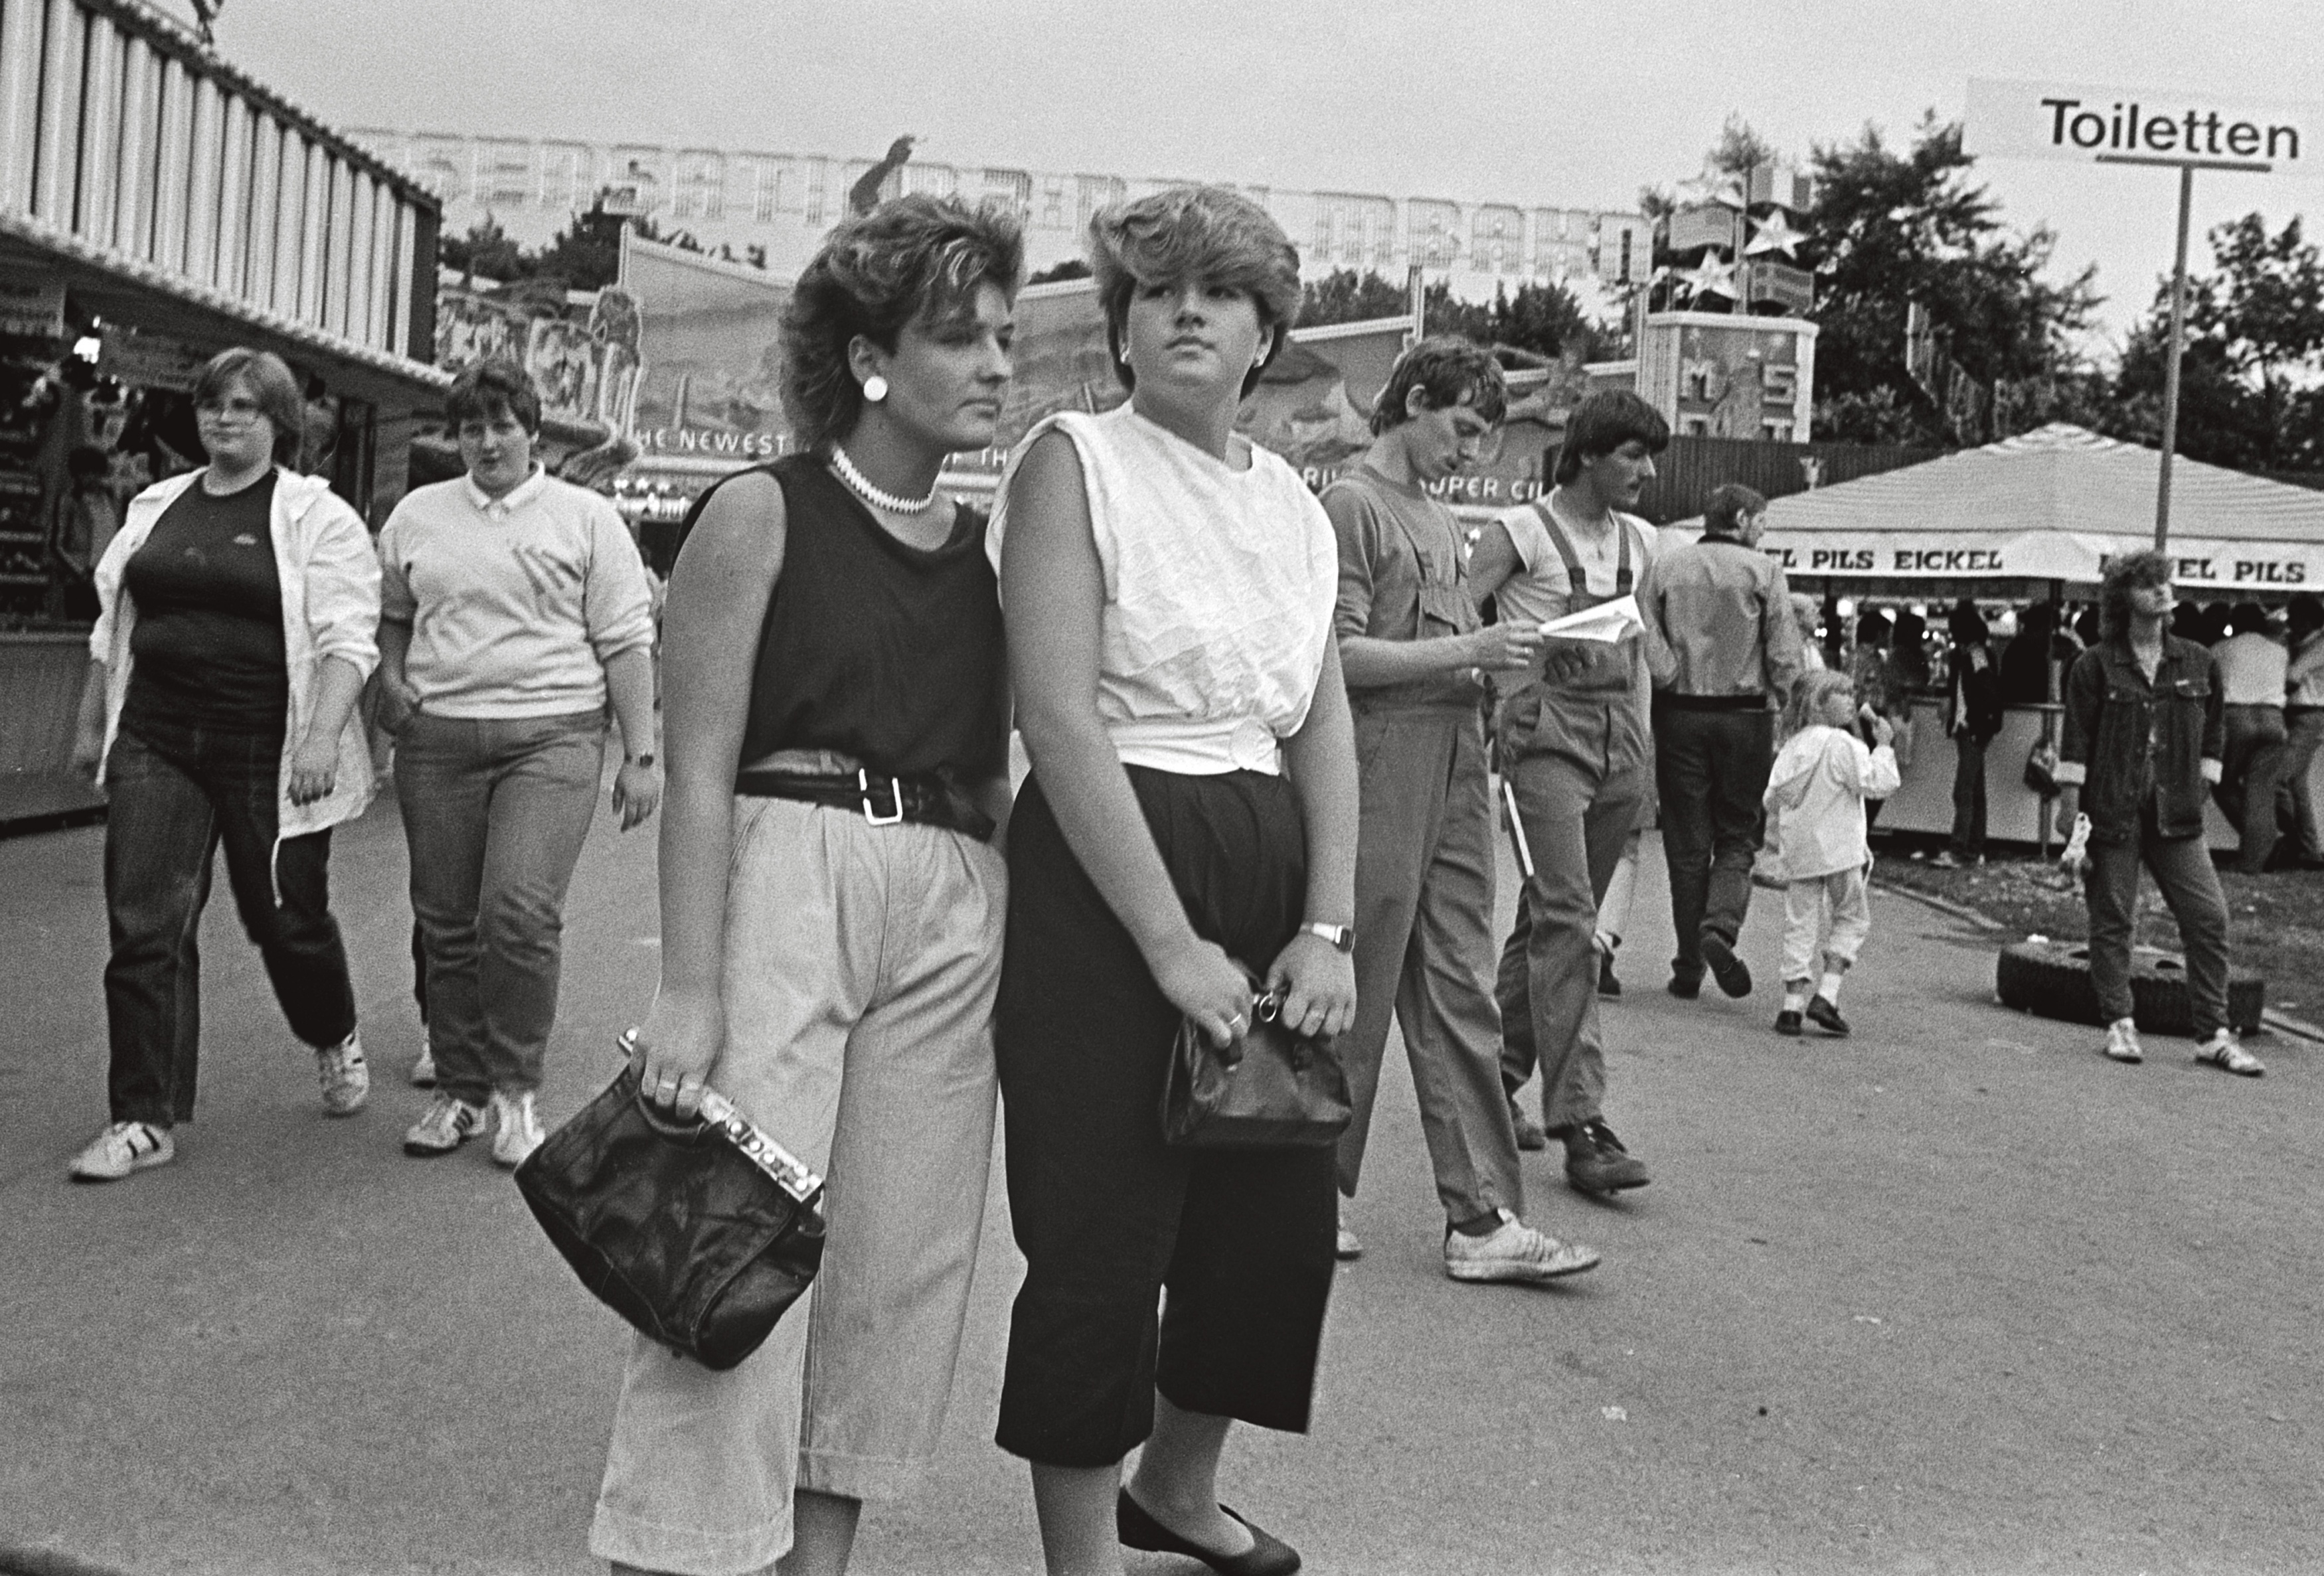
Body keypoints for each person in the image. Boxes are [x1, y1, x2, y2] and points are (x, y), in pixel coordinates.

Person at [592, 194, 1021, 1576]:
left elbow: (1016, 759)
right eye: (961, 337)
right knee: (732, 1237)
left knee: (895, 1265)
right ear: (869, 359)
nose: (997, 364)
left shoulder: (994, 549)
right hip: (793, 855)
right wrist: (688, 985)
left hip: (954, 886)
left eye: (1003, 335)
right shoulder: (759, 513)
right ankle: (681, 1545)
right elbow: (698, 766)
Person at [991, 185, 1357, 1576]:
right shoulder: (1074, 460)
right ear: (1122, 324)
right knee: (1100, 1231)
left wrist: (1325, 926)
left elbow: (1319, 718)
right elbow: (1058, 716)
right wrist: (1167, 942)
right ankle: (1082, 1560)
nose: (1187, 310)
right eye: (1157, 290)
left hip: (1266, 851)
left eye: (1221, 291)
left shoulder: (1295, 506)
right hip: (1112, 865)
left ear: (1268, 333)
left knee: (1274, 1225)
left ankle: (1179, 1488)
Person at [64, 348, 378, 1182]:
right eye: (212, 404)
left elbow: (349, 640)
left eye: (244, 406)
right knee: (146, 923)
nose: (224, 418)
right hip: (158, 735)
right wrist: (93, 723)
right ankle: (144, 1115)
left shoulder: (317, 516)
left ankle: (332, 1028)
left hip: (268, 746)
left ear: (278, 422)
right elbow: (112, 623)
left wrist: (321, 739)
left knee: (284, 920)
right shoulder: (157, 505)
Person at [1320, 335, 1595, 1281]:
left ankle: (1481, 1214)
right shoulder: (1352, 506)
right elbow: (1336, 657)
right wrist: (1470, 652)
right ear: (1414, 402)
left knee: (1461, 982)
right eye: (1464, 427)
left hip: (1454, 757)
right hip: (1378, 757)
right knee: (1353, 978)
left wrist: (1499, 661)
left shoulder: (1440, 518)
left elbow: (1442, 648)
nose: (1472, 451)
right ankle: (1305, 1187)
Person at [374, 361, 662, 1166]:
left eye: (504, 425)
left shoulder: (586, 518)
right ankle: (459, 1091)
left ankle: (514, 1092)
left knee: (517, 913)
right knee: (445, 922)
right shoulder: (417, 515)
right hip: (438, 740)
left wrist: (640, 755)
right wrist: (391, 679)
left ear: (534, 433)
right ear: (455, 438)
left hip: (552, 737)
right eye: (472, 428)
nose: (488, 442)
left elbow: (626, 641)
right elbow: (394, 614)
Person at [1469, 390, 1665, 1200]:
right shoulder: (1517, 533)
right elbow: (1452, 622)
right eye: (1632, 455)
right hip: (1543, 731)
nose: (1646, 472)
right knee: (1570, 921)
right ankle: (1581, 1121)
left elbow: (1640, 649)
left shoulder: (1641, 541)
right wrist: (1499, 679)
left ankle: (1495, 1072)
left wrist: (1644, 753)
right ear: (1586, 453)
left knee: (1550, 917)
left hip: (1619, 738)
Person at [2054, 550, 2260, 1075]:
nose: (2162, 591)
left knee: (2208, 917)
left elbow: (2215, 726)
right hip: (2111, 809)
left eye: (2165, 582)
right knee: (2114, 920)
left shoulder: (2198, 660)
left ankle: (2213, 1033)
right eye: (2148, 584)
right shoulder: (2093, 665)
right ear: (2124, 598)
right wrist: (2070, 810)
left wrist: (2205, 781)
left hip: (2177, 813)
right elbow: (2076, 738)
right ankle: (2120, 1023)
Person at [1639, 481, 1804, 1001]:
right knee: (1738, 833)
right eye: (1761, 522)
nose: (1763, 532)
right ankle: (1721, 926)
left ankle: (1689, 965)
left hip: (1680, 714)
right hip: (1745, 717)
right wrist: (1789, 701)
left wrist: (1668, 675)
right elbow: (1784, 651)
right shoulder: (1765, 572)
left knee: (1686, 844)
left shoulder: (1666, 567)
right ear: (1740, 519)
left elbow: (1644, 629)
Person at [1762, 670, 1898, 1038]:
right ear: (1818, 704)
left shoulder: (1792, 747)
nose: (1852, 700)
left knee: (1800, 923)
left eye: (1852, 693)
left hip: (1801, 851)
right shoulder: (1842, 743)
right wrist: (1884, 747)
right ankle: (1827, 993)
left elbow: (1772, 798)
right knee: (1851, 917)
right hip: (1840, 849)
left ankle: (1791, 1006)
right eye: (1842, 694)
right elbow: (1878, 783)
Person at [2208, 601, 2289, 875]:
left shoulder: (2220, 648)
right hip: (2273, 718)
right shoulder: (2279, 650)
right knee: (2261, 790)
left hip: (2236, 717)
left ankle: (2260, 844)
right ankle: (2257, 856)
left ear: (2235, 622)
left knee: (2224, 784)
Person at [1932, 600, 2001, 868]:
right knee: (1974, 790)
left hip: (1970, 728)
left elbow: (1981, 693)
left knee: (1964, 791)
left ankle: (1960, 848)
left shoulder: (1972, 656)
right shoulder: (1978, 655)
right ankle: (1974, 848)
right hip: (1974, 727)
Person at [2278, 594, 2324, 868]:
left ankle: (2294, 841)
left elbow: (2292, 678)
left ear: (2308, 620)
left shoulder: (2319, 645)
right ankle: (2309, 849)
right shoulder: (2304, 643)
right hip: (2303, 713)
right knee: (2296, 783)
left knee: (2281, 777)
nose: (2290, 624)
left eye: (2294, 619)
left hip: (2309, 713)